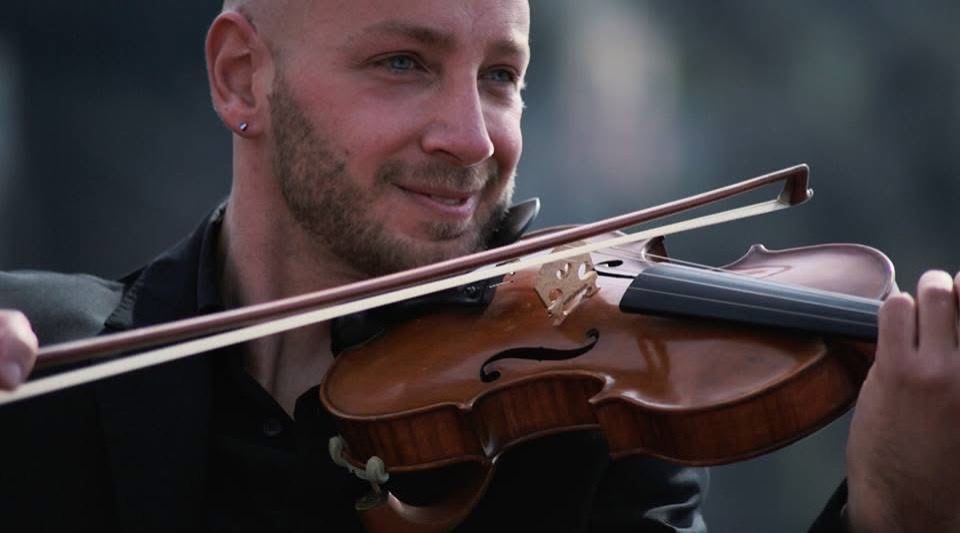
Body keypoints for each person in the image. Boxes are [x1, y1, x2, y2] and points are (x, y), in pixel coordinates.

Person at [0, 1, 958, 531]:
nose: (472, 138)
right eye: (403, 63)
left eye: (501, 76)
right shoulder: (44, 374)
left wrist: (895, 515)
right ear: (240, 76)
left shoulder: (585, 438)